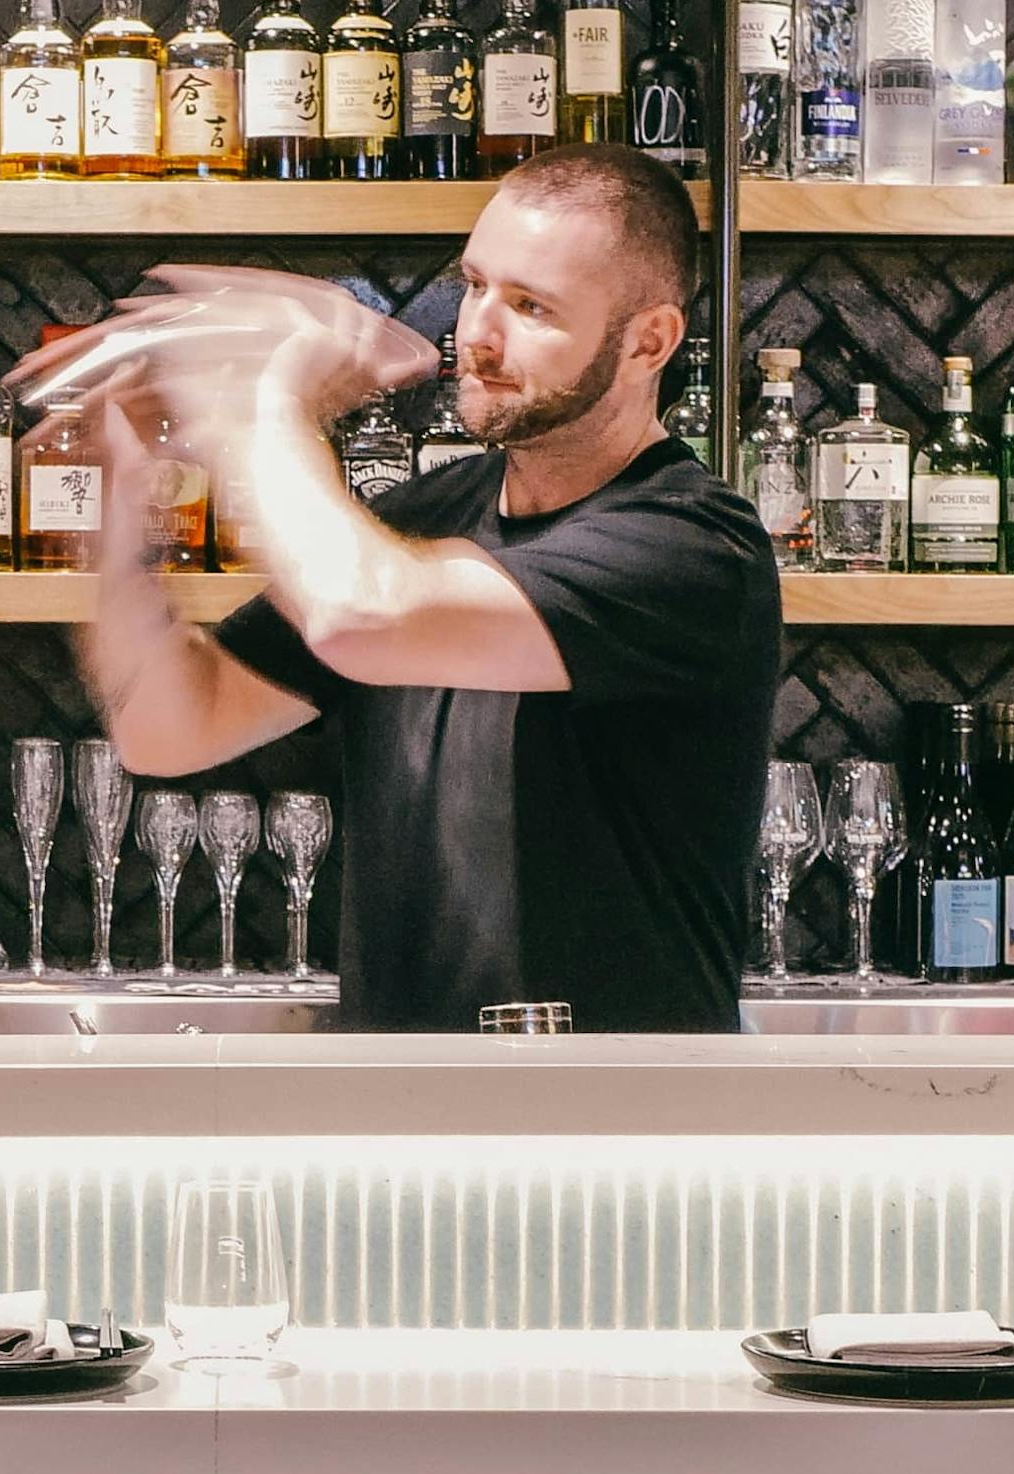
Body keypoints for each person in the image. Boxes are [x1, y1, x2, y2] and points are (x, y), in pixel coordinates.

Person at [41, 143, 785, 1032]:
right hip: (401, 1120)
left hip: (610, 1130)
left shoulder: (694, 548)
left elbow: (358, 614)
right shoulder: (426, 517)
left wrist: (266, 400)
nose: (478, 332)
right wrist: (123, 506)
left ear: (648, 341)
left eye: (531, 305)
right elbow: (169, 726)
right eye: (475, 285)